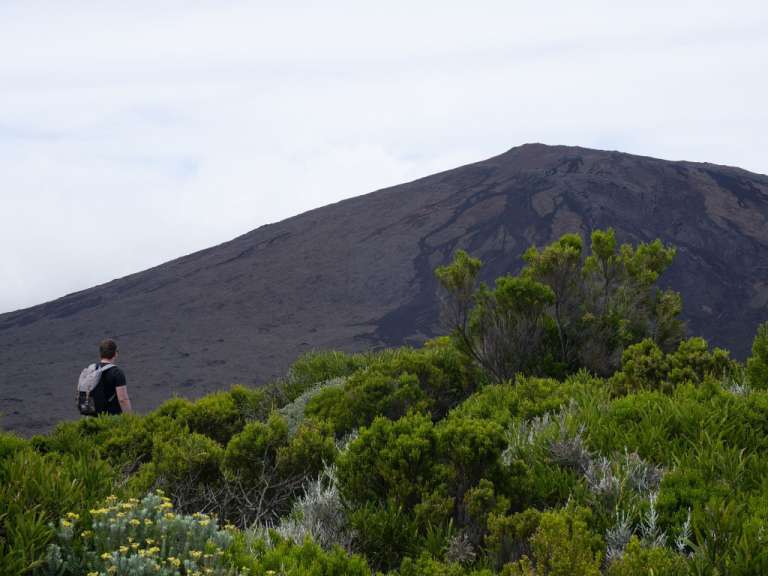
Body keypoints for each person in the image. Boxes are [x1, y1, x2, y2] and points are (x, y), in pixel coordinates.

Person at [92, 338, 132, 414]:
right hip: (111, 418)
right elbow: (122, 399)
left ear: (101, 354)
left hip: (93, 417)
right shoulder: (117, 372)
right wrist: (130, 419)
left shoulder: (92, 370)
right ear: (115, 353)